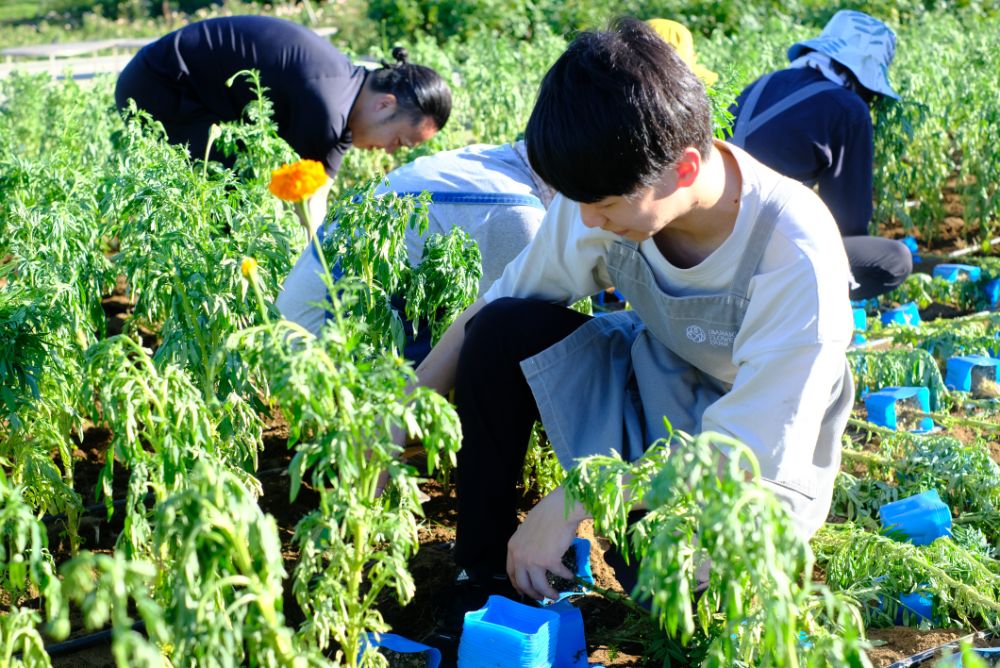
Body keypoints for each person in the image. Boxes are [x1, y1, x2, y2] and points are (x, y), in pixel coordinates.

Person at [414, 17, 854, 650]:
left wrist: (574, 500)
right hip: (653, 383)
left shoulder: (794, 253)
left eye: (606, 205)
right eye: (581, 200)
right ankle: (480, 577)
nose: (590, 219)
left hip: (757, 452)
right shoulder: (608, 190)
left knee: (688, 605)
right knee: (501, 330)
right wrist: (409, 407)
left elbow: (743, 454)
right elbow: (504, 298)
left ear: (684, 168)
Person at [115, 15, 451, 226]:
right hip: (159, 86)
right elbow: (302, 205)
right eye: (401, 141)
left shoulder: (346, 98)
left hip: (192, 91)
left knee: (234, 192)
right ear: (385, 105)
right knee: (229, 198)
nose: (392, 152)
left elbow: (317, 196)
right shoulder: (327, 104)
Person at [275, 140, 555, 363]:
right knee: (495, 342)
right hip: (318, 348)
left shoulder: (495, 159)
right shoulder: (519, 215)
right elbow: (502, 339)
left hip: (298, 319)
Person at [728, 10, 912, 300]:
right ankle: (799, 310)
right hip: (753, 255)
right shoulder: (849, 109)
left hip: (709, 241)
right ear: (863, 77)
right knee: (894, 260)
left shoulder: (762, 84)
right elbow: (847, 223)